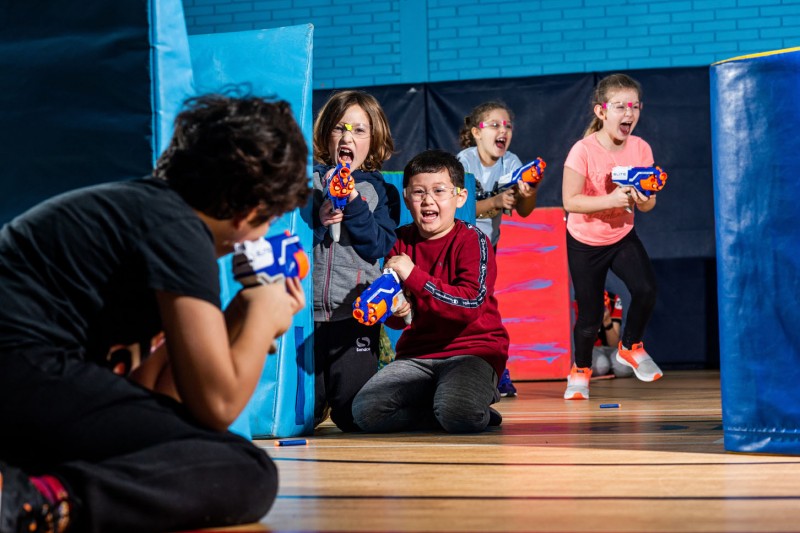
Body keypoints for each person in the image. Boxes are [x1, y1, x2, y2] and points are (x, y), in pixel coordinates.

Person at [0, 93, 310, 532]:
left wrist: (241, 311)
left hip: (28, 378)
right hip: (21, 366)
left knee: (193, 449)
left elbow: (160, 402)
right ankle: (31, 501)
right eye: (270, 219)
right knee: (247, 470)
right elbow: (218, 406)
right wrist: (262, 313)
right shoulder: (179, 229)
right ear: (250, 210)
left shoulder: (149, 213)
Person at [351, 149, 509, 434]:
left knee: (458, 413)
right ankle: (446, 406)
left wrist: (414, 275)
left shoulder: (474, 240)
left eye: (439, 190)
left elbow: (470, 305)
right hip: (417, 356)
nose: (428, 200)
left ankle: (465, 405)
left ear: (460, 197)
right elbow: (399, 317)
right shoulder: (398, 242)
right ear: (406, 198)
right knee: (366, 412)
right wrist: (399, 310)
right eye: (418, 192)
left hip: (473, 352)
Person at [562, 72, 662, 400]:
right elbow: (570, 201)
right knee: (590, 315)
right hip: (584, 240)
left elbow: (648, 205)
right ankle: (580, 370)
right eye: (619, 106)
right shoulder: (583, 150)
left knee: (646, 289)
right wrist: (611, 200)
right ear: (601, 112)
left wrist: (644, 196)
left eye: (634, 106)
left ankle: (631, 346)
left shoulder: (641, 148)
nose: (628, 113)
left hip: (620, 235)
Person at [311, 90, 399, 431]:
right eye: (339, 128)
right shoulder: (311, 183)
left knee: (353, 415)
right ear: (325, 135)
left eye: (359, 130)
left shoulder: (379, 191)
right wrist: (318, 219)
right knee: (305, 413)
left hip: (354, 315)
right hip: (310, 315)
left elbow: (376, 245)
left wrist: (354, 203)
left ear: (374, 139)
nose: (348, 137)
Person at [456, 101, 543, 398]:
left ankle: (494, 369)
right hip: (460, 246)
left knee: (485, 309)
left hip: (488, 247)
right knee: (476, 310)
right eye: (494, 125)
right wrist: (494, 202)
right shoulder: (464, 162)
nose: (502, 130)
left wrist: (528, 193)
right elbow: (459, 210)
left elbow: (525, 210)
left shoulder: (512, 163)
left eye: (507, 125)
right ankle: (489, 369)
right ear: (476, 133)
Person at [590, 291, 634, 378]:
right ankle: (606, 366)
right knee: (602, 365)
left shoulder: (613, 299)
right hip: (590, 348)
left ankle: (610, 366)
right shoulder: (578, 300)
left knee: (625, 368)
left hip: (609, 349)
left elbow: (613, 344)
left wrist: (607, 321)